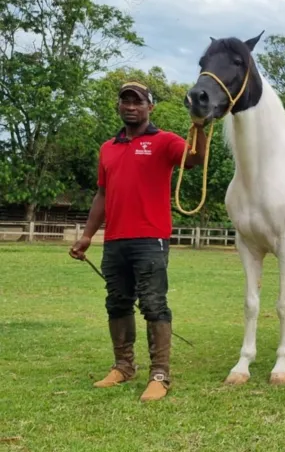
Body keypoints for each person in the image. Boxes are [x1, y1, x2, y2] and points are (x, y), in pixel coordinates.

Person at [69, 81, 208, 402]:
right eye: (125, 101)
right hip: (115, 241)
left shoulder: (164, 141)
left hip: (151, 238)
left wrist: (199, 124)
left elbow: (195, 159)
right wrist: (88, 235)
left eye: (138, 102)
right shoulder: (108, 148)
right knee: (117, 303)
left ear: (150, 107)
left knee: (153, 304)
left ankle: (160, 374)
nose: (131, 106)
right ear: (119, 106)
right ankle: (123, 366)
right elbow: (102, 194)